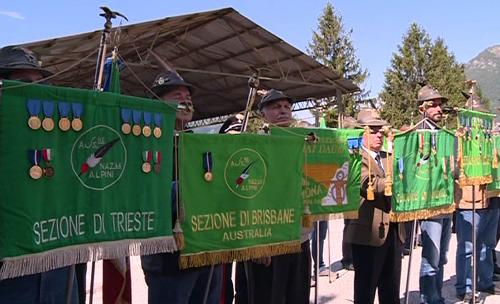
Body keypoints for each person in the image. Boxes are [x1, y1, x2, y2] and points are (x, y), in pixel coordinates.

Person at [0, 45, 79, 304]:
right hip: (11, 279)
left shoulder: (60, 143)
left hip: (57, 275)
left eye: (40, 83)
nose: (36, 91)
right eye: (24, 83)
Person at [141, 71, 222, 304]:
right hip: (168, 260)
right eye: (177, 95)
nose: (186, 101)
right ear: (158, 103)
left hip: (206, 252)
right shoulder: (148, 143)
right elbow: (146, 195)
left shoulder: (200, 143)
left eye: (188, 97)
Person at [245, 89, 312, 304]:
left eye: (286, 107)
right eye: (276, 107)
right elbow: (248, 197)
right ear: (263, 114)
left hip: (299, 237)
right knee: (268, 297)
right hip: (269, 241)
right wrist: (257, 244)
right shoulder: (254, 146)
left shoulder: (303, 143)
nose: (283, 111)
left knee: (298, 295)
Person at [344, 108, 405, 304]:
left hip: (394, 231)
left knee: (391, 288)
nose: (379, 134)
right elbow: (368, 183)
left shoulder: (390, 156)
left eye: (381, 130)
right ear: (361, 133)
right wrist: (400, 180)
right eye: (373, 130)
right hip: (368, 233)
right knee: (366, 289)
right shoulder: (353, 158)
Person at [454, 93, 500, 300]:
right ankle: (464, 288)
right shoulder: (458, 139)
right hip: (468, 199)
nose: (479, 120)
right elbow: (451, 169)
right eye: (475, 116)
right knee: (467, 248)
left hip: (491, 196)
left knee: (487, 245)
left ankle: (486, 281)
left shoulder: (489, 138)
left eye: (481, 116)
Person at [415, 85, 453, 304]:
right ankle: (428, 299)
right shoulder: (417, 134)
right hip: (430, 204)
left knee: (442, 257)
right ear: (423, 107)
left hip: (446, 201)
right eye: (434, 104)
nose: (439, 108)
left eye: (441, 104)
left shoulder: (443, 133)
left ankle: (436, 296)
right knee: (431, 258)